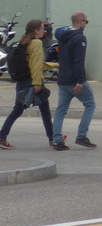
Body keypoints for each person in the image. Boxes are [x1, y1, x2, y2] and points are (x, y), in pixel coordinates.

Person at [0, 20, 55, 149]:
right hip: (32, 82)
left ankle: (2, 136)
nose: (44, 31)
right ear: (35, 30)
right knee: (44, 111)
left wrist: (55, 65)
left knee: (18, 110)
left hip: (22, 82)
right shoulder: (36, 43)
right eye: (42, 28)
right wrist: (37, 84)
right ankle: (53, 139)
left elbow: (35, 63)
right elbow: (35, 66)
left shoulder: (22, 42)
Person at [51, 11, 97, 150]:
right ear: (81, 21)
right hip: (74, 80)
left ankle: (57, 140)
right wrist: (80, 81)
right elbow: (79, 61)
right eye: (86, 22)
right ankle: (81, 136)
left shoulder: (62, 34)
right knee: (90, 104)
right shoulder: (80, 38)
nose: (85, 24)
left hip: (63, 78)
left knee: (61, 110)